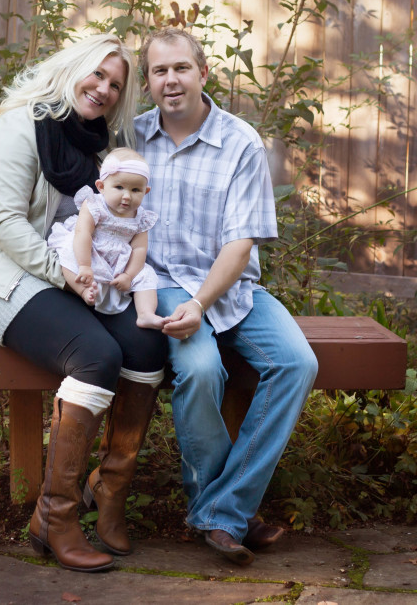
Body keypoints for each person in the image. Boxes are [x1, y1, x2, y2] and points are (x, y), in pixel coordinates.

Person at [0, 34, 167, 573]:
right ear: (72, 69)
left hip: (72, 279)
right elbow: (4, 225)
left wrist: (108, 273)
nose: (104, 89)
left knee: (144, 346)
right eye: (97, 75)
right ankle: (55, 516)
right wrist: (68, 275)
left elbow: (109, 224)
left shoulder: (98, 145)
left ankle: (109, 494)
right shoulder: (18, 126)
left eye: (115, 85)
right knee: (96, 356)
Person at [135, 28, 319, 566]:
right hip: (163, 285)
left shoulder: (239, 142)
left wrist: (201, 304)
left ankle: (221, 510)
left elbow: (240, 245)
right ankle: (226, 514)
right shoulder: (133, 140)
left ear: (204, 73)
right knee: (201, 372)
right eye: (159, 71)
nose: (171, 80)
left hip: (230, 286)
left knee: (296, 363)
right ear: (148, 82)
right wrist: (179, 303)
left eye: (181, 69)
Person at [47, 146, 166, 329]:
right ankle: (84, 290)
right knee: (68, 251)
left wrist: (128, 275)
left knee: (146, 275)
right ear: (101, 187)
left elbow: (139, 249)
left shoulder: (141, 217)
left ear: (145, 192)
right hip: (90, 250)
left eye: (135, 190)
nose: (127, 196)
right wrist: (85, 265)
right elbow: (83, 234)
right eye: (119, 187)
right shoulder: (94, 205)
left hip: (120, 260)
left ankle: (146, 313)